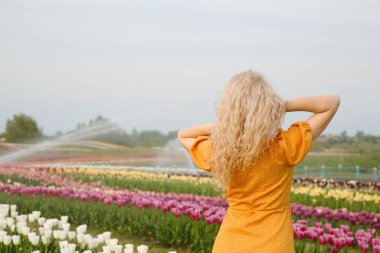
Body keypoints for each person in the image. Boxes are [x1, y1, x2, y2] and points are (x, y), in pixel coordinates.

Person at [177, 69, 340, 253]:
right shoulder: (284, 147)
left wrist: (229, 124)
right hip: (274, 244)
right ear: (267, 106)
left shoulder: (221, 152)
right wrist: (280, 106)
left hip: (230, 244)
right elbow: (332, 102)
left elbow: (183, 135)